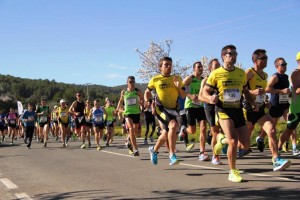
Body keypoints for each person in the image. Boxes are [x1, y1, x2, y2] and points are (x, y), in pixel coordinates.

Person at [202, 45, 256, 182]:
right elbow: (203, 93)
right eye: (229, 53)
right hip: (223, 110)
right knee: (233, 141)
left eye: (235, 53)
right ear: (223, 57)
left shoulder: (240, 73)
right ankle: (232, 171)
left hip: (237, 110)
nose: (232, 56)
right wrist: (210, 98)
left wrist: (253, 102)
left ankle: (221, 140)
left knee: (246, 145)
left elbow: (245, 91)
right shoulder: (216, 73)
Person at [243, 49, 291, 170]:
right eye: (263, 58)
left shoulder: (264, 75)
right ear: (255, 60)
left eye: (266, 58)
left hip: (260, 108)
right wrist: (252, 92)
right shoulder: (249, 72)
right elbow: (239, 89)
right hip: (248, 107)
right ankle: (222, 142)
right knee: (242, 142)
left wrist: (266, 101)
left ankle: (276, 159)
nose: (266, 60)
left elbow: (263, 92)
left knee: (271, 130)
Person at [145, 56, 186, 165]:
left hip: (173, 109)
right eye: (166, 65)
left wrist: (178, 87)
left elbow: (182, 95)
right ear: (160, 67)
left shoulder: (177, 78)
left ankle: (154, 150)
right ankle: (172, 155)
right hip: (160, 108)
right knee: (172, 125)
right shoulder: (155, 79)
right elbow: (147, 92)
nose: (169, 67)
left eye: (170, 65)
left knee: (166, 133)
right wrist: (147, 101)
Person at [263, 57, 300, 156]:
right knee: (271, 128)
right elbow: (267, 89)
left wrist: (289, 94)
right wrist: (281, 91)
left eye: (285, 64)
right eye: (282, 65)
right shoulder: (275, 77)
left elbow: (288, 91)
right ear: (277, 66)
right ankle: (261, 138)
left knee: (291, 125)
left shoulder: (286, 76)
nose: (285, 66)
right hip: (275, 105)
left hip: (285, 105)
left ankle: (294, 147)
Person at [183, 61, 208, 161]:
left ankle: (202, 152)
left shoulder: (203, 80)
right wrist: (190, 96)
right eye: (198, 67)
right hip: (190, 106)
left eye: (201, 67)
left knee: (203, 127)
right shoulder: (190, 78)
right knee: (192, 130)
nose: (201, 68)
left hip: (200, 106)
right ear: (194, 69)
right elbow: (180, 88)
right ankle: (184, 130)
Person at [199, 58, 222, 165]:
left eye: (219, 65)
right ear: (210, 68)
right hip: (209, 107)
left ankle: (210, 136)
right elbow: (200, 97)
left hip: (222, 106)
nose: (218, 67)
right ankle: (215, 156)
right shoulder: (206, 80)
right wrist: (210, 99)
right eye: (215, 66)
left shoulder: (222, 79)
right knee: (216, 132)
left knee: (223, 131)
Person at [277, 52, 300, 156]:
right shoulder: (295, 73)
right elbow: (297, 91)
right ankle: (278, 148)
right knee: (289, 130)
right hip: (296, 108)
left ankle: (295, 148)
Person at [117, 76, 144, 156]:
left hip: (136, 112)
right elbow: (121, 100)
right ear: (127, 82)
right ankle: (135, 149)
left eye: (133, 82)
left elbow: (142, 99)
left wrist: (142, 103)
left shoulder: (137, 91)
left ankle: (128, 140)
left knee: (134, 132)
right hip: (127, 113)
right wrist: (118, 108)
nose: (132, 83)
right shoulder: (124, 92)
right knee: (131, 129)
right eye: (130, 82)